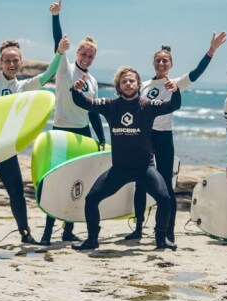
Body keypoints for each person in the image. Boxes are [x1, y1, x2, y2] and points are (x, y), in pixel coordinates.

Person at [0, 37, 70, 249]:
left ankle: (25, 234)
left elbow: (48, 75)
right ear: (0, 62)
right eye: (8, 60)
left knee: (16, 191)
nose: (12, 64)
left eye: (16, 60)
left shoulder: (22, 87)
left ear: (21, 62)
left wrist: (59, 52)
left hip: (3, 145)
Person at [126, 32, 227, 242]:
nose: (161, 63)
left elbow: (197, 72)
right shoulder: (143, 85)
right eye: (158, 60)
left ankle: (167, 232)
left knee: (165, 186)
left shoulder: (176, 84)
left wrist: (211, 51)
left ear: (170, 64)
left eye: (165, 60)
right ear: (153, 63)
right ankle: (137, 229)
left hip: (163, 138)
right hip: (144, 139)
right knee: (140, 184)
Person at [70, 67, 181, 251]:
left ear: (138, 84)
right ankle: (92, 239)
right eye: (124, 82)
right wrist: (75, 90)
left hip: (145, 168)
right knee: (91, 199)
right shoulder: (110, 105)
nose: (128, 84)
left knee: (164, 198)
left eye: (131, 81)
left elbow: (173, 106)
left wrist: (174, 91)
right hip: (120, 169)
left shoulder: (147, 106)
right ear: (118, 87)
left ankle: (161, 239)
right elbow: (84, 103)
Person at [39, 0, 106, 245]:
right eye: (83, 53)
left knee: (78, 183)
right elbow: (59, 44)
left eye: (91, 55)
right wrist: (56, 17)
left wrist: (101, 139)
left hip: (84, 134)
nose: (87, 58)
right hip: (61, 131)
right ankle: (47, 233)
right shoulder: (64, 69)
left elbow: (95, 112)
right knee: (56, 182)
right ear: (76, 53)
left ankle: (67, 230)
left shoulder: (93, 81)